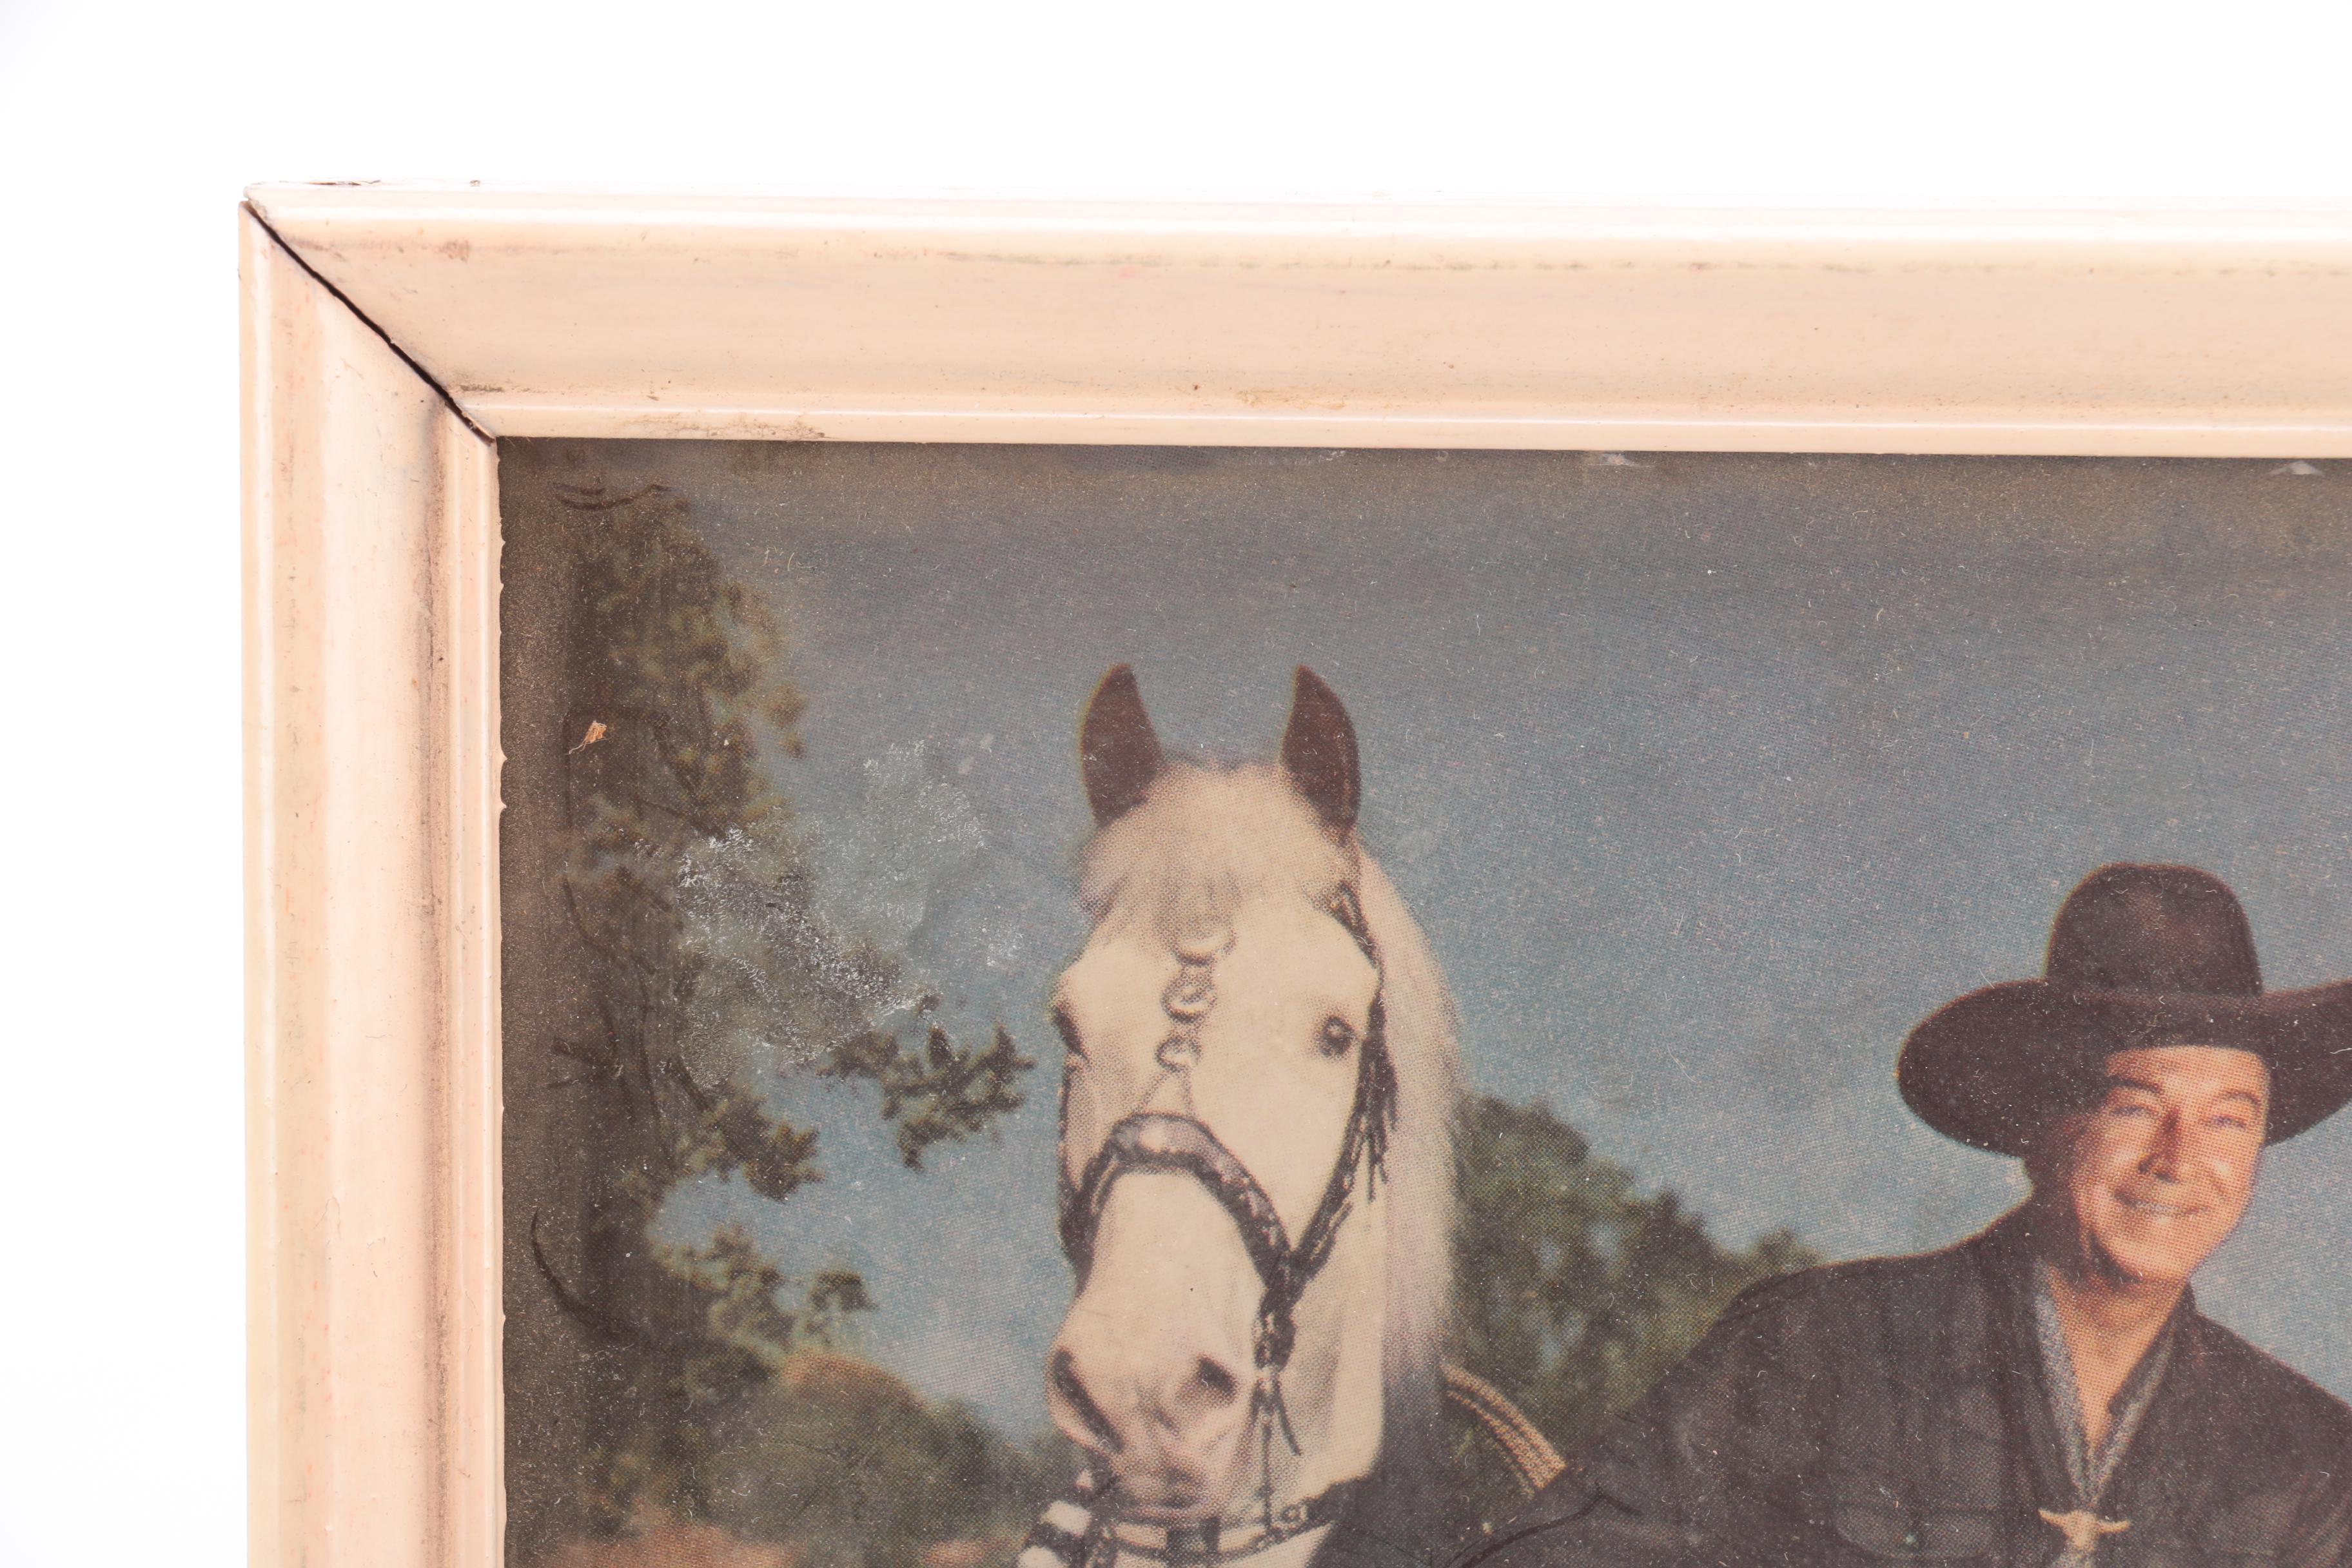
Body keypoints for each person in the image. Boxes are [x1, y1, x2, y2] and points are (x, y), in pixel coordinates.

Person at [1460, 864, 2352, 1567]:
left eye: (2230, 1118)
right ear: (2040, 1126)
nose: (2177, 1157)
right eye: (2131, 1105)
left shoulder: (2310, 1455)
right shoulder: (1814, 1348)